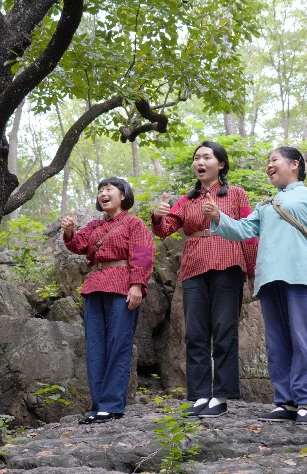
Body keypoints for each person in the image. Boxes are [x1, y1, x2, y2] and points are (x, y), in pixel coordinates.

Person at [201, 147, 307, 426]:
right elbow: (243, 230)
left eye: (274, 160)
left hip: (301, 276)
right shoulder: (266, 204)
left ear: (295, 164)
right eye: (267, 162)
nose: (269, 165)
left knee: (302, 339)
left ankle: (304, 402)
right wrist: (218, 216)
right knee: (276, 343)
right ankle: (284, 402)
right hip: (269, 279)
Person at [151, 141, 257, 418]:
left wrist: (252, 271)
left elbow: (248, 233)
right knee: (195, 333)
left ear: (220, 164)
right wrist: (158, 216)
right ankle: (199, 396)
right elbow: (165, 230)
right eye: (197, 158)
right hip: (194, 269)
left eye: (206, 157)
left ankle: (220, 396)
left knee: (224, 330)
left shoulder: (236, 194)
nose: (200, 162)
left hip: (228, 264)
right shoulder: (187, 200)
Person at [62, 177, 155, 424]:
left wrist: (137, 285)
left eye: (109, 189)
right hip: (95, 287)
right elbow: (78, 245)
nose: (103, 193)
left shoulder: (134, 223)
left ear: (123, 195)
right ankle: (98, 406)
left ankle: (112, 405)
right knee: (95, 347)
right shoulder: (94, 225)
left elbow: (143, 254)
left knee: (118, 344)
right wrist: (70, 230)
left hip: (122, 285)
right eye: (100, 190)